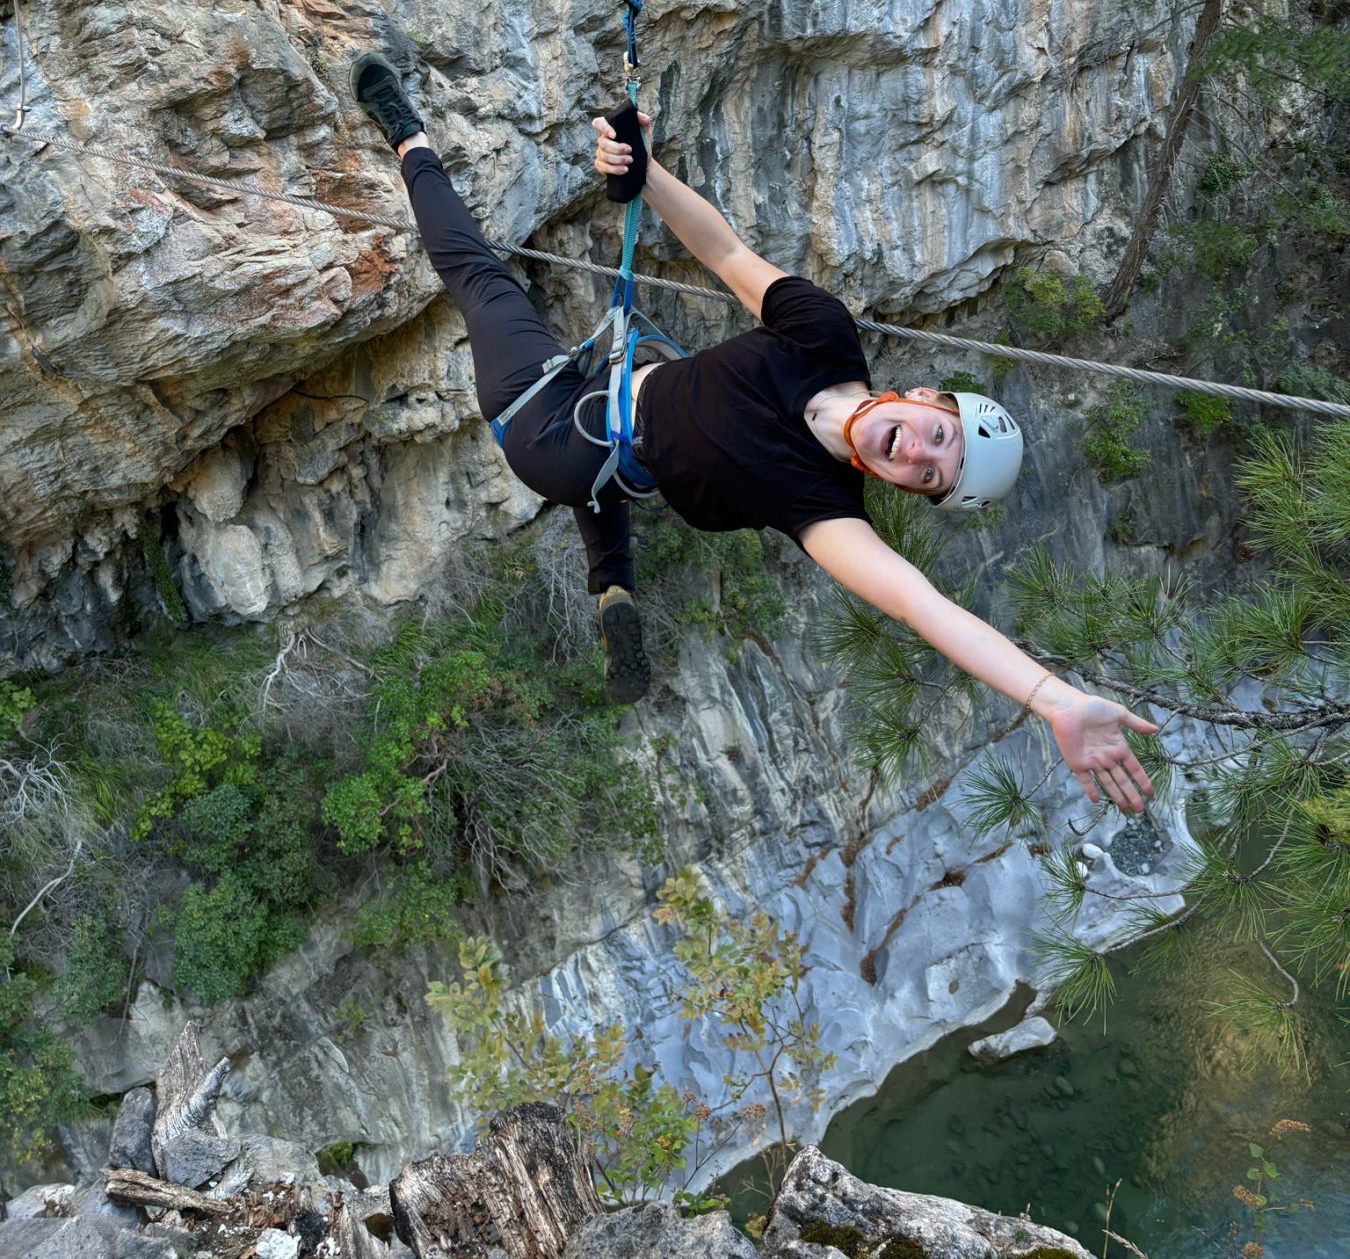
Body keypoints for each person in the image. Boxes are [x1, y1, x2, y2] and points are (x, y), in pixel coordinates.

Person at [351, 54, 1158, 815]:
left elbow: (925, 606)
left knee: (483, 278)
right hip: (623, 410)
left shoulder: (827, 512)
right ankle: (611, 584)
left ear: (904, 489)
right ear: (923, 397)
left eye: (930, 478)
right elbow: (727, 252)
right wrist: (647, 170)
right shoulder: (824, 335)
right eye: (938, 437)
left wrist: (1052, 698)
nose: (917, 454)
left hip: (553, 431)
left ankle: (407, 137)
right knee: (620, 472)